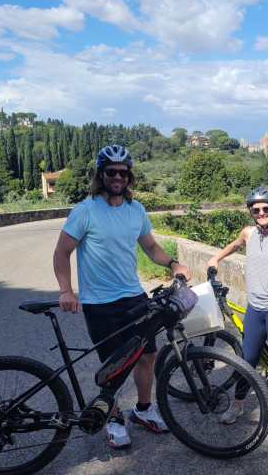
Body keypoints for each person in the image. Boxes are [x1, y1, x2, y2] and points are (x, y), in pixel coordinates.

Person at [53, 144, 191, 449]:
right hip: (99, 303)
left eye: (123, 172)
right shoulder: (85, 210)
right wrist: (66, 289)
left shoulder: (136, 210)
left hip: (134, 297)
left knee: (147, 356)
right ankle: (113, 417)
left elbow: (150, 248)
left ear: (129, 177)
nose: (118, 177)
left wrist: (172, 263)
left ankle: (143, 410)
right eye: (111, 172)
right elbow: (62, 253)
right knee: (112, 367)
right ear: (101, 175)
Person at [206, 186, 268, 430]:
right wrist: (217, 257)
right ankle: (237, 404)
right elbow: (234, 244)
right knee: (246, 360)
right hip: (255, 309)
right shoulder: (248, 233)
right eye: (256, 210)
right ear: (251, 212)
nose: (261, 213)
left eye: (266, 209)